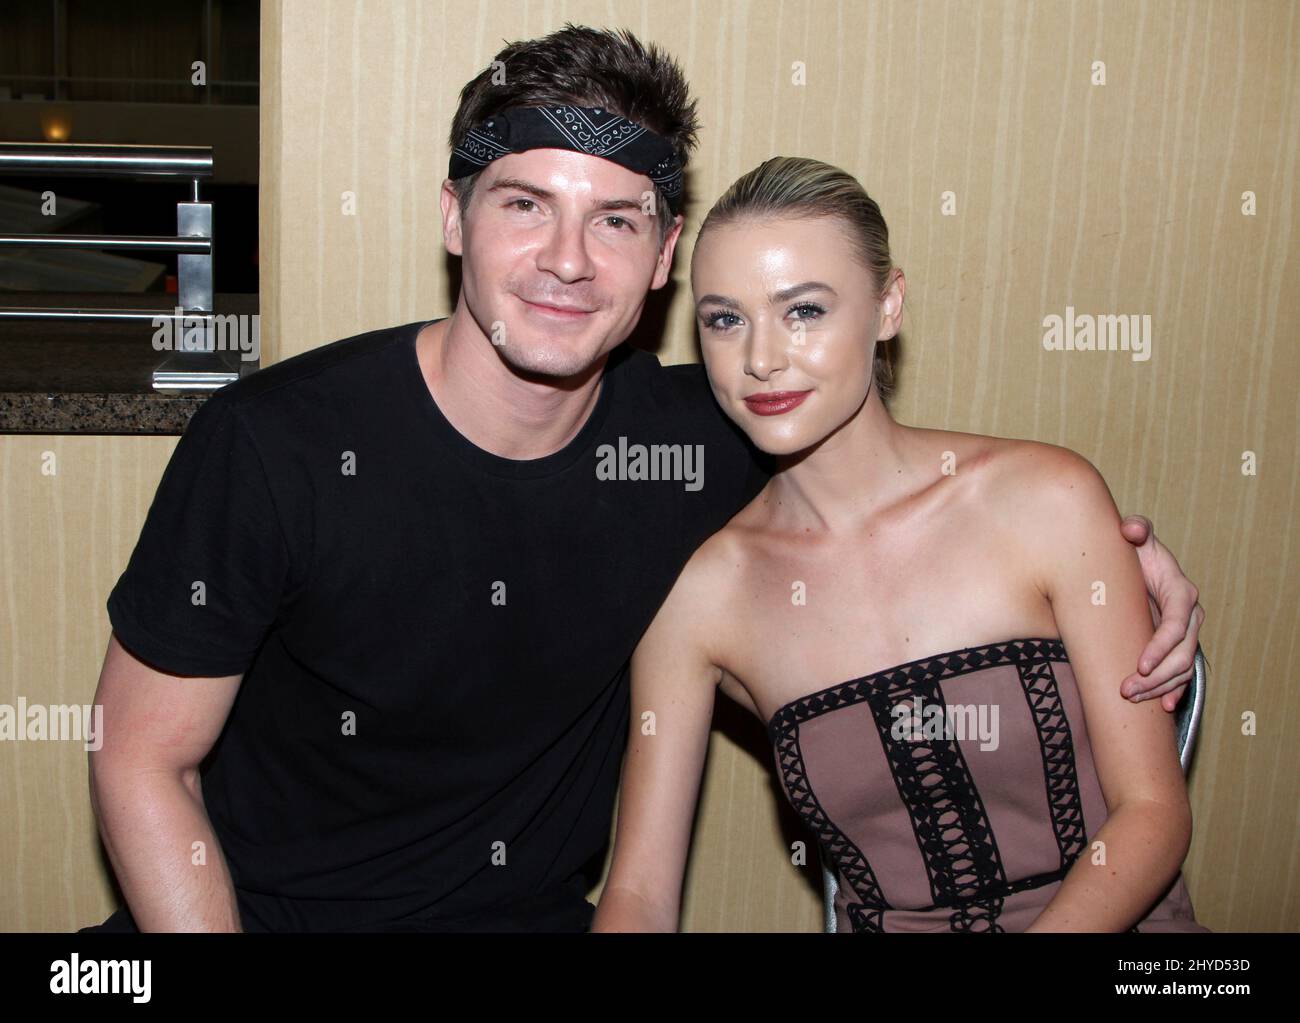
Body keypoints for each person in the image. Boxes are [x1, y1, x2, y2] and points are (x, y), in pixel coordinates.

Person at [83, 27, 1204, 934]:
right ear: (453, 218)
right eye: (525, 203)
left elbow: (887, 481)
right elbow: (140, 762)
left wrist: (1119, 554)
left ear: (661, 256)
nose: (568, 260)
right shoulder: (275, 446)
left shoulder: (708, 434)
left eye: (614, 219)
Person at [591, 156, 1209, 933]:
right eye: (725, 319)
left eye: (805, 310)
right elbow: (641, 893)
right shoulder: (702, 597)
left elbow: (1153, 813)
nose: (760, 358)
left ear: (888, 306)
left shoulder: (1046, 498)